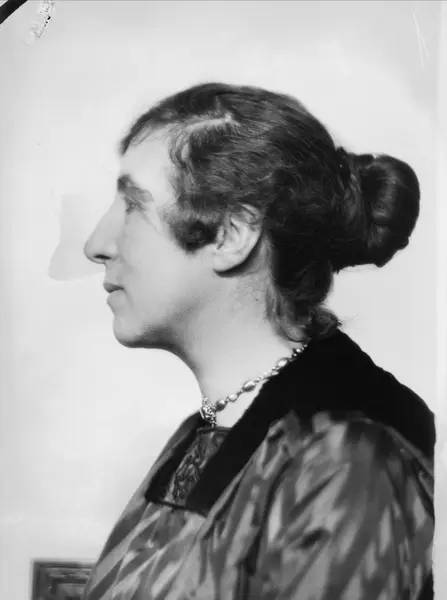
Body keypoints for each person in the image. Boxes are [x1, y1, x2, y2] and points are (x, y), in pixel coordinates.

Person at [82, 83, 434, 600]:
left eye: (134, 205)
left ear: (232, 235)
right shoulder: (210, 426)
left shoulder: (348, 457)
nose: (96, 244)